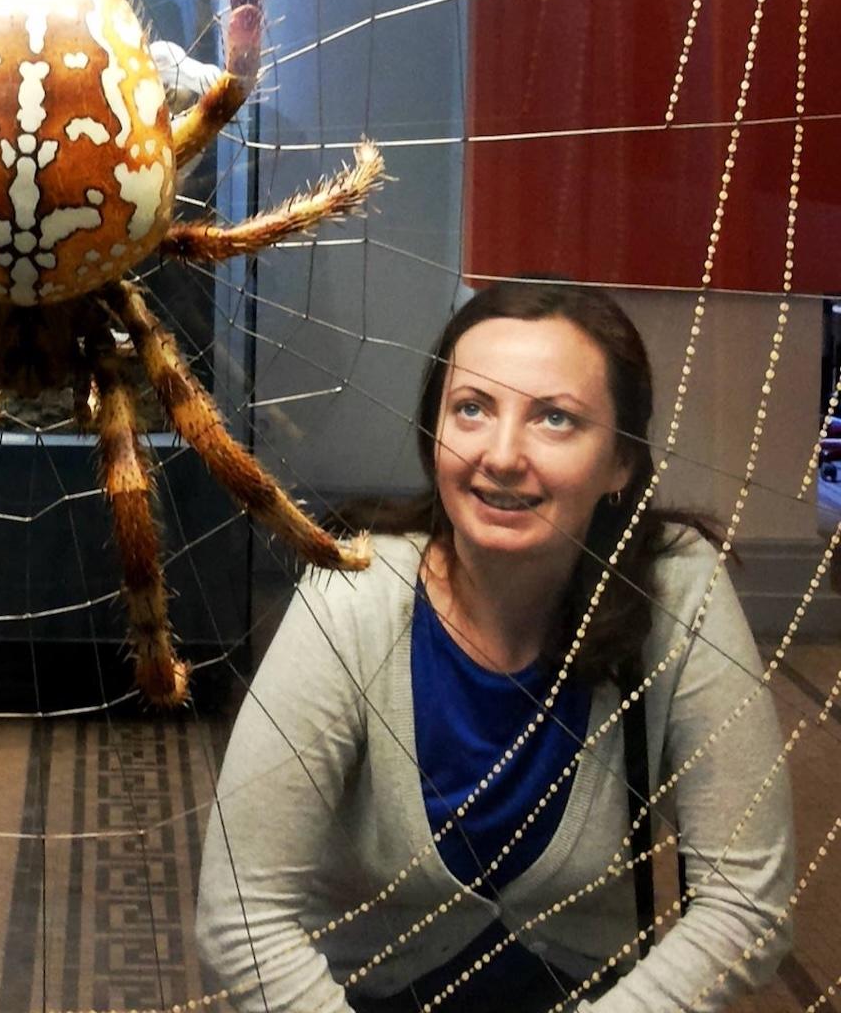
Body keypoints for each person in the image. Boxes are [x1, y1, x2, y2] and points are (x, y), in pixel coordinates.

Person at [195, 281, 793, 1013]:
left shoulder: (676, 591)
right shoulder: (355, 594)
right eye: (472, 409)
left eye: (555, 418)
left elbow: (746, 903)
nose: (502, 456)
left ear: (621, 462)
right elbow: (239, 914)